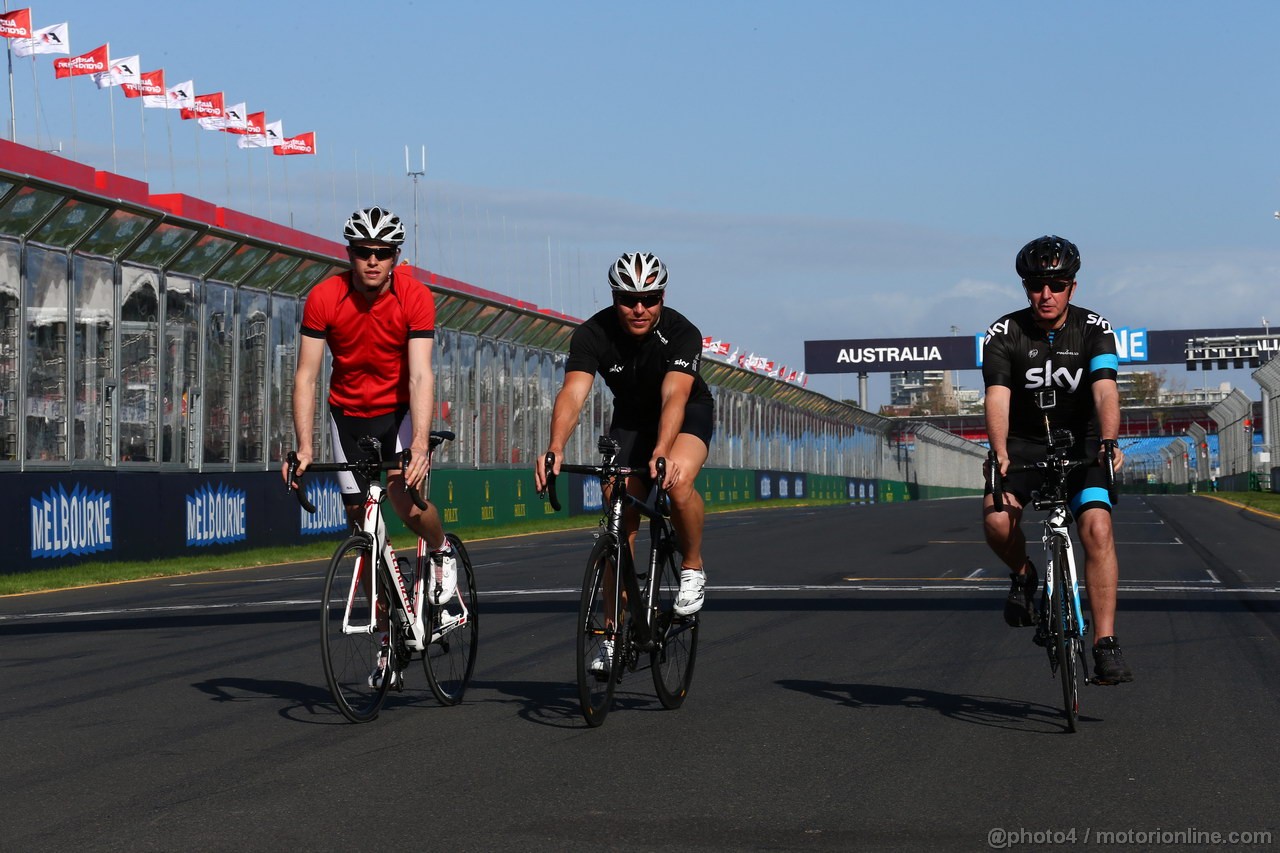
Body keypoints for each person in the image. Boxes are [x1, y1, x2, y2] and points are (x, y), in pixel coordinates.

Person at [284, 206, 455, 689]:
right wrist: (302, 445)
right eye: (364, 252)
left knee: (404, 501)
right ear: (350, 254)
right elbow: (306, 376)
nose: (373, 261)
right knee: (365, 536)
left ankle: (441, 551)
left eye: (382, 254)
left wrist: (419, 444)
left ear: (396, 257)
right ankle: (387, 645)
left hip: (397, 414)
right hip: (348, 417)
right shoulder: (324, 297)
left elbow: (421, 374)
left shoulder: (415, 297)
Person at [534, 252, 714, 677]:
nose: (639, 308)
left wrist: (663, 449)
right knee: (618, 521)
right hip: (632, 421)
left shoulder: (682, 332)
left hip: (686, 413)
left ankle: (691, 565)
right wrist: (555, 446)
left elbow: (674, 396)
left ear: (662, 297)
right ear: (614, 297)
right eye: (629, 298)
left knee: (677, 479)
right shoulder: (592, 333)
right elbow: (573, 394)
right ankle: (615, 635)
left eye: (649, 299)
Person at [980, 234, 1133, 685]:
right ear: (1025, 287)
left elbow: (1105, 389)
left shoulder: (1094, 329)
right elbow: (997, 396)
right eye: (1035, 285)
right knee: (996, 520)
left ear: (1073, 287)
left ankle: (1106, 644)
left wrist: (1108, 441)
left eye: (1057, 284)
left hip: (1081, 442)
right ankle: (1025, 576)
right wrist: (1000, 452)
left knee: (1097, 527)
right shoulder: (1004, 333)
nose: (1046, 294)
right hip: (1025, 442)